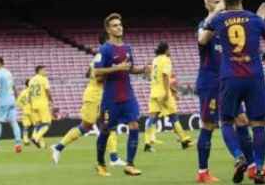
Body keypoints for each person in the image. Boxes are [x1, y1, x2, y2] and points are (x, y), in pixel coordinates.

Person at [199, 0, 265, 184]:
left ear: (225, 1)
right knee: (257, 124)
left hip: (230, 77)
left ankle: (239, 155)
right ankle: (259, 167)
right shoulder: (254, 18)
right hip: (254, 76)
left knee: (226, 121)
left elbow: (203, 39)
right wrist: (261, 19)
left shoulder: (220, 19)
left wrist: (214, 17)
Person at [52, 34, 125, 166]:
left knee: (109, 125)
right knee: (86, 126)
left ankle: (114, 158)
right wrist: (114, 72)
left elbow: (88, 73)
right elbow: (98, 78)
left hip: (102, 95)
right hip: (94, 96)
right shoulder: (103, 55)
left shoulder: (101, 56)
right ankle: (58, 147)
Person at [94, 13, 148, 177]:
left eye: (120, 24)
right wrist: (117, 67)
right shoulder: (104, 49)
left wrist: (143, 69)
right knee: (106, 130)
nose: (119, 27)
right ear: (108, 29)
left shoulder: (127, 48)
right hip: (111, 98)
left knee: (135, 126)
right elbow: (96, 72)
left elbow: (130, 69)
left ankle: (130, 164)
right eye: (115, 25)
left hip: (128, 95)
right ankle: (101, 164)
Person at [144, 42, 192, 152]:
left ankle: (147, 143)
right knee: (173, 116)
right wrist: (166, 92)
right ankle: (184, 140)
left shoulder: (155, 60)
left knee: (152, 118)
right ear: (166, 50)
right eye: (169, 49)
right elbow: (165, 76)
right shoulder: (166, 59)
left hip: (153, 92)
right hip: (162, 92)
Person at [28, 65, 53, 149]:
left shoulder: (31, 80)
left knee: (38, 124)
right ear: (39, 71)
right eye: (44, 70)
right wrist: (51, 100)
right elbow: (47, 91)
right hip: (42, 103)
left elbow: (30, 94)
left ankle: (34, 136)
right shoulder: (43, 79)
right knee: (47, 124)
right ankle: (36, 138)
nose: (45, 72)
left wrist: (31, 105)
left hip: (34, 104)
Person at [16, 79, 33, 146]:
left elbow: (17, 102)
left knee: (26, 126)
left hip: (25, 111)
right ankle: (36, 138)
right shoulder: (32, 91)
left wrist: (23, 107)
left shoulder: (23, 92)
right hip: (33, 111)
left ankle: (25, 139)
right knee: (37, 125)